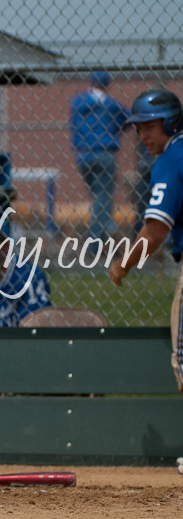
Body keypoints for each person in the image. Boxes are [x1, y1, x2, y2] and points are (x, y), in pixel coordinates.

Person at [109, 90, 183, 474]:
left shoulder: (171, 158)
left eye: (150, 127)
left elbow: (154, 231)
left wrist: (124, 264)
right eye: (139, 129)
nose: (143, 136)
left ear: (171, 122)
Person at [69, 71, 129, 240]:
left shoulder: (78, 102)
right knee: (103, 197)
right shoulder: (111, 104)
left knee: (97, 196)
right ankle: (97, 239)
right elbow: (128, 118)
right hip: (105, 152)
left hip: (83, 154)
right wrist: (115, 130)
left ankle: (106, 228)